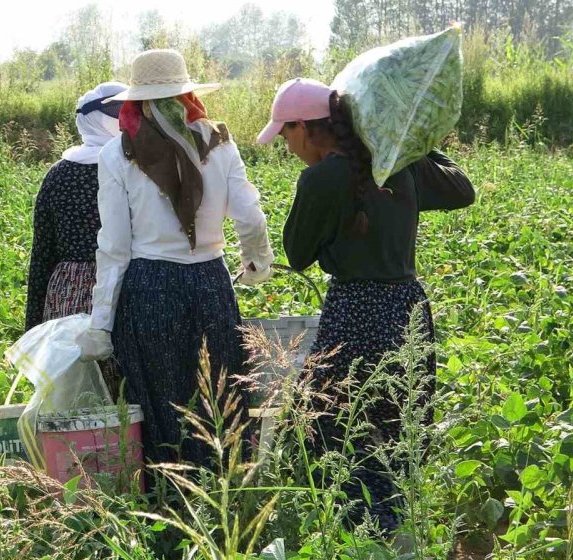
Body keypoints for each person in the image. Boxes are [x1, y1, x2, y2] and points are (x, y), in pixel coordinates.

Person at [257, 78, 475, 532]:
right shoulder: (395, 164)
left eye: (286, 134)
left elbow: (298, 254)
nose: (287, 146)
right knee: (396, 428)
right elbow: (462, 190)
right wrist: (407, 142)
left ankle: (360, 533)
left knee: (337, 428)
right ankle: (396, 530)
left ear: (305, 128)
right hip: (405, 310)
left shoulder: (320, 179)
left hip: (354, 312)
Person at [77, 49, 275, 469]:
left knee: (164, 401)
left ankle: (171, 495)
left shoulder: (117, 153)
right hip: (210, 282)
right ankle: (225, 487)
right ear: (187, 95)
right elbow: (249, 215)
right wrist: (256, 262)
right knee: (219, 394)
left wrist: (100, 324)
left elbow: (114, 247)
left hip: (150, 288)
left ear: (137, 102)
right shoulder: (219, 142)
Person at [24, 81, 128, 398]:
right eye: (119, 110)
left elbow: (42, 254)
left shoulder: (58, 174)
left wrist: (33, 326)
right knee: (126, 393)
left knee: (75, 394)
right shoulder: (131, 168)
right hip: (122, 287)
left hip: (66, 294)